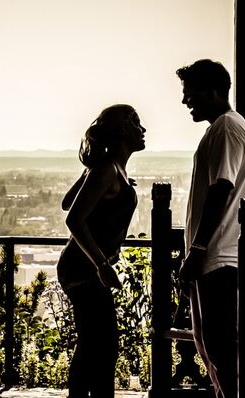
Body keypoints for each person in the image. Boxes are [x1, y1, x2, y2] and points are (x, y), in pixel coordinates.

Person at [175, 59, 245, 398]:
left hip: (220, 256)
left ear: (213, 91)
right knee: (214, 347)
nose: (185, 101)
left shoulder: (226, 128)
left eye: (190, 93)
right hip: (219, 255)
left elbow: (221, 187)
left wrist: (197, 250)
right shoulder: (226, 128)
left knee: (221, 348)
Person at [57, 103, 146, 398]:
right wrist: (102, 265)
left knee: (96, 344)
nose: (142, 129)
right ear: (121, 130)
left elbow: (67, 202)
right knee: (101, 345)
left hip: (82, 267)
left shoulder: (107, 170)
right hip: (84, 269)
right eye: (135, 122)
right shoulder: (107, 171)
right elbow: (73, 218)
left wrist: (94, 173)